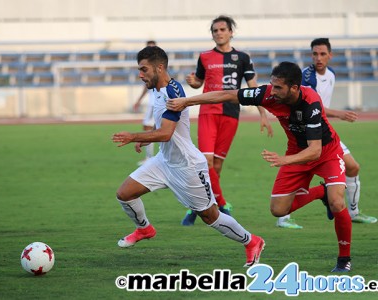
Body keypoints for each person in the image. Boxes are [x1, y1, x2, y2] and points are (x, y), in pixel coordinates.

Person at [166, 61, 352, 272]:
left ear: (294, 88)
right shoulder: (267, 95)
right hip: (295, 152)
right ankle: (322, 192)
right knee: (278, 210)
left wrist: (284, 160)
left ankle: (343, 259)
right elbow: (227, 95)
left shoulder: (311, 103)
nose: (272, 91)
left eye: (278, 87)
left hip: (326, 153)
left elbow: (315, 151)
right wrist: (187, 101)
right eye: (272, 85)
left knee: (337, 203)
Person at [112, 45, 265, 267]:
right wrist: (147, 138)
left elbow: (166, 133)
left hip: (188, 166)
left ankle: (252, 241)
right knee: (124, 193)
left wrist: (134, 136)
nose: (140, 74)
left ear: (159, 67)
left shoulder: (173, 92)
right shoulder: (156, 89)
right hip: (164, 161)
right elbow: (165, 128)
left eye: (144, 69)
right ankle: (145, 229)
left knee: (210, 217)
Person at [182, 15, 273, 226]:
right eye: (215, 30)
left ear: (231, 32)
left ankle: (199, 206)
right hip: (207, 113)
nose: (219, 33)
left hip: (231, 114)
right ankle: (222, 205)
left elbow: (253, 87)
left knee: (218, 167)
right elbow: (199, 82)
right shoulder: (204, 57)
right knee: (206, 162)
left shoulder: (242, 58)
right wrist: (193, 82)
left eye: (222, 29)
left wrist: (262, 113)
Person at [278, 38, 377, 228]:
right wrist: (340, 113)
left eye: (323, 54)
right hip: (306, 134)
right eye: (315, 54)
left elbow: (320, 109)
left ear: (330, 56)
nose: (318, 58)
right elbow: (314, 106)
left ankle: (353, 211)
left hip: (323, 133)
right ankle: (284, 217)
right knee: (299, 172)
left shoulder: (330, 74)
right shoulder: (307, 78)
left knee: (353, 167)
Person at [133, 40, 157, 166]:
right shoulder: (149, 65)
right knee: (151, 128)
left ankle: (150, 158)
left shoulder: (156, 66)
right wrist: (139, 100)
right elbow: (147, 86)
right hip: (152, 102)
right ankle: (150, 157)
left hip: (155, 103)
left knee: (151, 129)